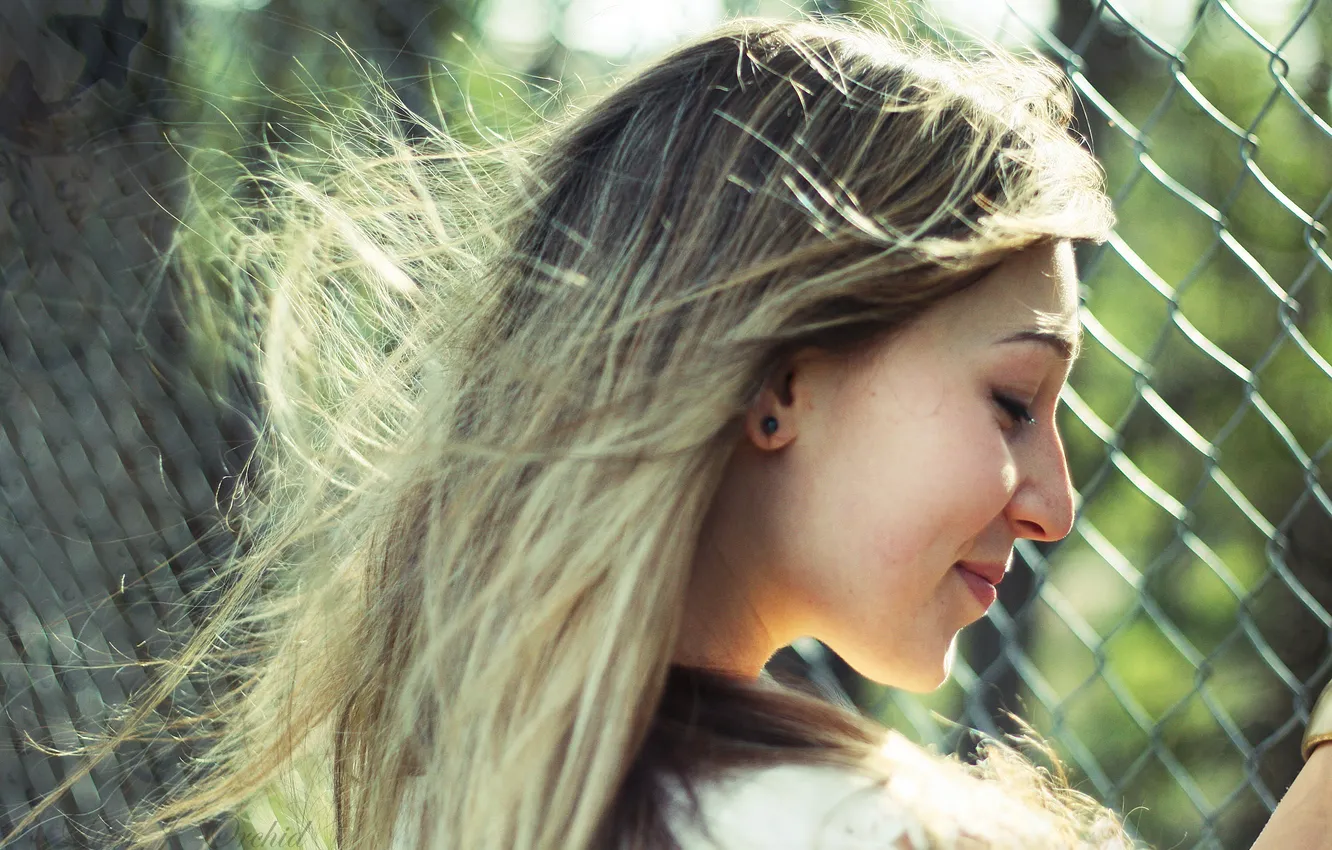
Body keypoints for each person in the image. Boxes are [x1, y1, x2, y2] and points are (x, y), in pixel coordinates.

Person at [9, 13, 1332, 850]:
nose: (1053, 499)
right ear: (776, 381)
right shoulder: (825, 827)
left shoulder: (486, 783)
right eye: (1011, 399)